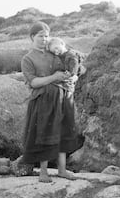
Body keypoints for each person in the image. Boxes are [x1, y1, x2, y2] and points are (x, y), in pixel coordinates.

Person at [20, 21, 81, 183]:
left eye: (46, 36)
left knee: (63, 132)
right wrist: (54, 78)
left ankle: (62, 170)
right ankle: (43, 172)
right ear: (32, 37)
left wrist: (75, 75)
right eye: (40, 36)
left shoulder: (55, 53)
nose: (44, 39)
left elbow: (73, 62)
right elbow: (33, 82)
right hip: (43, 101)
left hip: (62, 98)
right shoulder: (28, 59)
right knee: (44, 134)